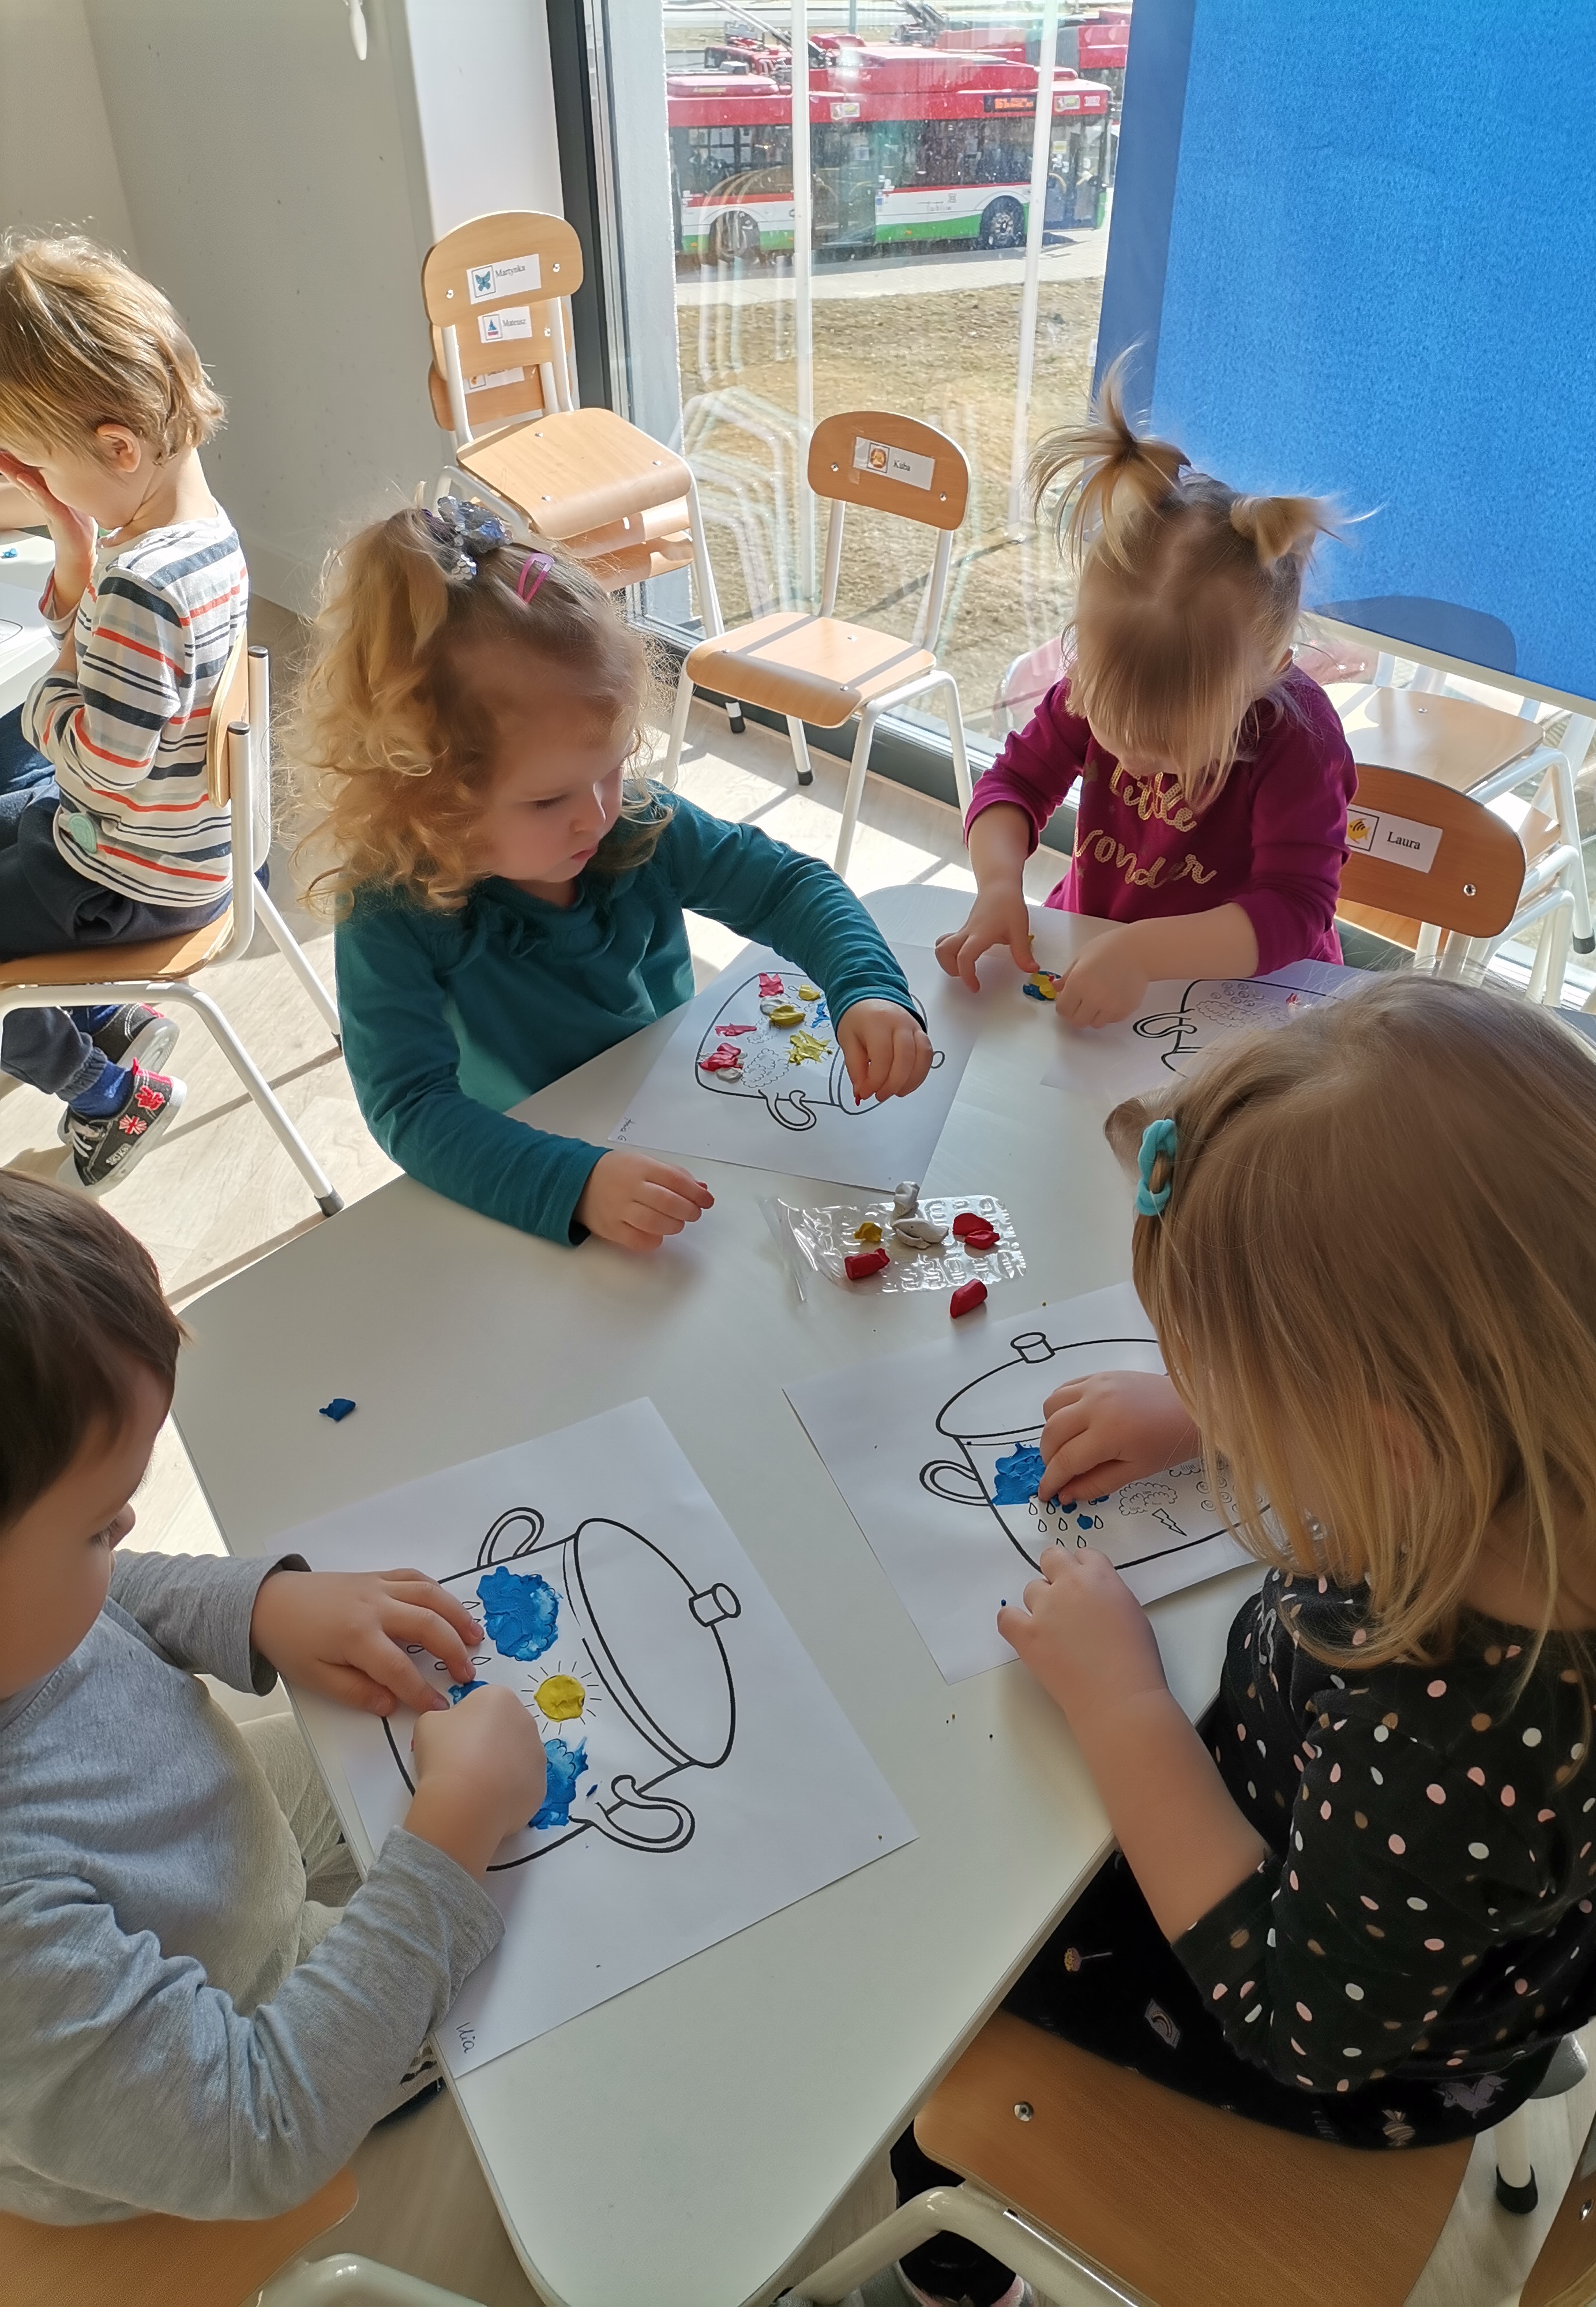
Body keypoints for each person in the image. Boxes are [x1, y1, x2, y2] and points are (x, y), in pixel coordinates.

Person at [891, 976, 1596, 2307]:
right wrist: (1209, 1413)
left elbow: (1301, 2026)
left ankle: (948, 2269)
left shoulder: (1451, 1733)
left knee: (944, 1964)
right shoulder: (1567, 1483)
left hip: (1354, 2040)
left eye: (1231, 1382)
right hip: (1382, 1885)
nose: (1218, 1412)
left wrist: (1122, 1706)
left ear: (1385, 1443)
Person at [0, 1171, 547, 2221]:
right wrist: (452, 1837)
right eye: (100, 1526)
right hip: (248, 2022)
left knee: (394, 1759)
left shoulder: (20, 1615)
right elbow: (258, 2127)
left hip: (220, 1835)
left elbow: (111, 1598)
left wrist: (262, 1605)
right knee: (530, 1954)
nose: (126, 1535)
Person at [298, 501, 933, 1250]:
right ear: (428, 796)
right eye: (548, 799)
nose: (597, 814)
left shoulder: (636, 821)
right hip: (523, 1181)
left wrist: (866, 987)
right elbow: (411, 1107)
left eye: (611, 767)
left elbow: (787, 887)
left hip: (676, 1124)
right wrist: (575, 1185)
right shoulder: (390, 908)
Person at [937, 359, 1355, 1031]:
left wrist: (1142, 952)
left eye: (1166, 748)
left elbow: (1296, 907)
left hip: (1245, 1000)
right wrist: (997, 886)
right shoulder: (1103, 682)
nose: (1131, 763)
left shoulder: (1300, 741)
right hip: (1100, 952)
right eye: (1112, 726)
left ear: (1270, 674)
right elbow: (1013, 784)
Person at [0, 235, 249, 1186]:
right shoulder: (200, 535)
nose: (39, 487)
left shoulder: (144, 583)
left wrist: (43, 704)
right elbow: (120, 679)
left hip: (128, 876)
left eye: (42, 468)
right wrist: (76, 554)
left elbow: (101, 768)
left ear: (118, 447)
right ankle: (107, 1016)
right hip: (165, 848)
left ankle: (108, 1094)